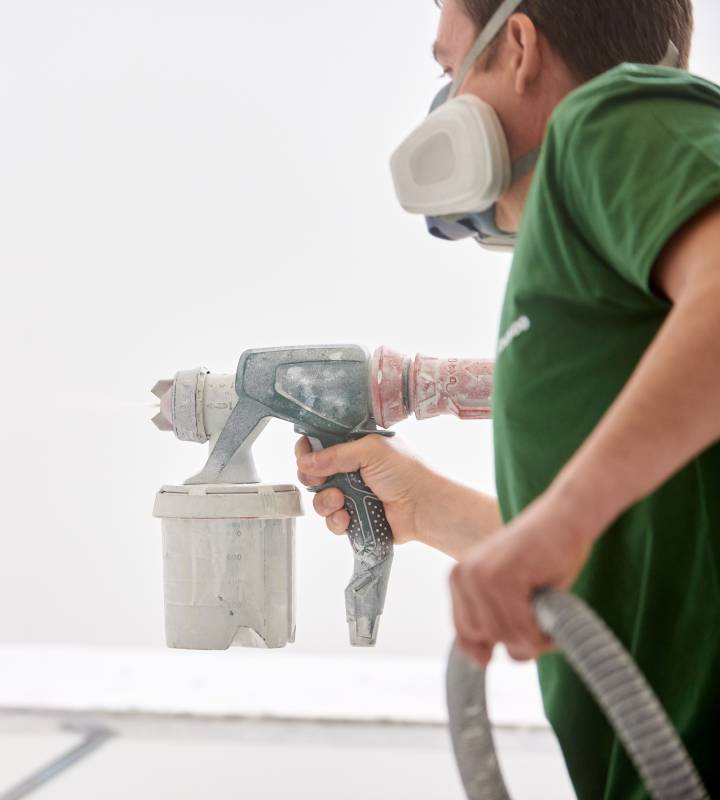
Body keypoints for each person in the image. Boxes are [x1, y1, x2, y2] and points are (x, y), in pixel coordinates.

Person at [295, 0, 719, 797]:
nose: (443, 99)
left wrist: (560, 522)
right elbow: (637, 561)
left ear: (518, 45)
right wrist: (427, 509)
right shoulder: (592, 257)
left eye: (448, 68)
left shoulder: (612, 116)